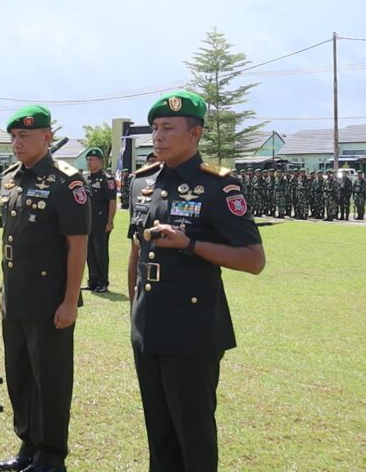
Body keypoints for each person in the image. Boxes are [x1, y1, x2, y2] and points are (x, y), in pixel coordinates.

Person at [127, 91, 265, 472]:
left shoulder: (220, 186)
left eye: (169, 128)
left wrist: (190, 244)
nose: (158, 136)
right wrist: (133, 311)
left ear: (195, 134)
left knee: (193, 433)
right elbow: (137, 251)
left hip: (192, 330)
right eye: (155, 128)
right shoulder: (141, 182)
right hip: (148, 326)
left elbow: (254, 260)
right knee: (160, 431)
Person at [0, 105, 89, 472]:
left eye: (25, 137)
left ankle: (51, 455)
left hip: (50, 301)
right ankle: (28, 446)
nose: (17, 144)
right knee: (19, 377)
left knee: (49, 380)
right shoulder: (10, 178)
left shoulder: (67, 181)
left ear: (47, 138)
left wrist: (70, 302)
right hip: (15, 297)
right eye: (14, 137)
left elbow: (77, 245)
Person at [84, 147, 115, 293]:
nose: (88, 162)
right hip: (88, 222)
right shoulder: (86, 178)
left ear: (100, 161)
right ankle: (93, 281)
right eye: (87, 160)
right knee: (89, 252)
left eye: (91, 160)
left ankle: (103, 282)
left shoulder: (107, 179)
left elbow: (112, 202)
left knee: (101, 252)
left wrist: (110, 221)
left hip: (102, 222)